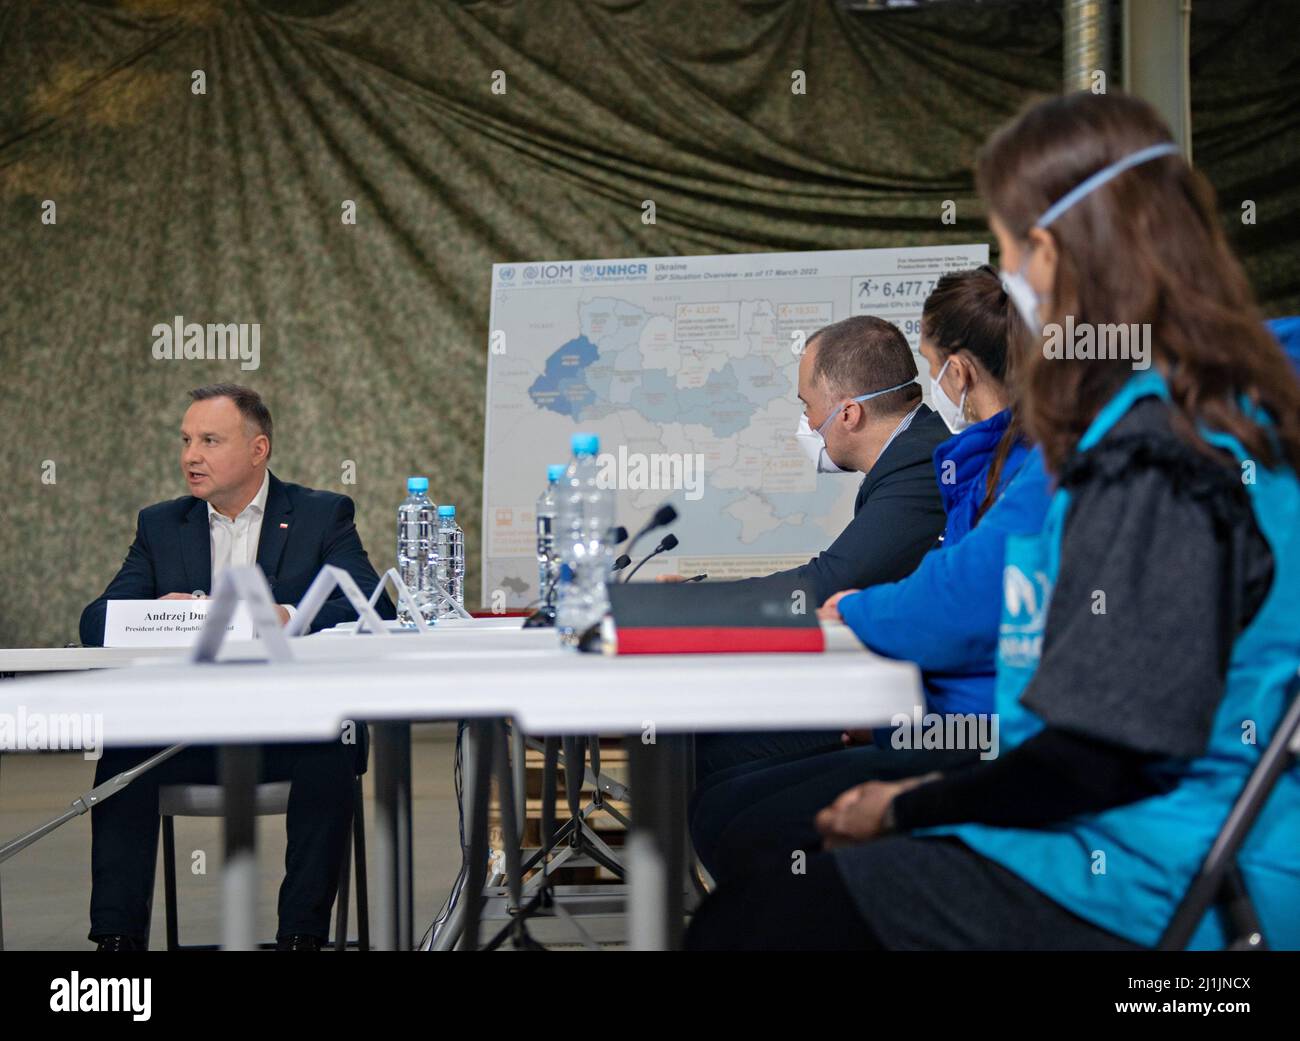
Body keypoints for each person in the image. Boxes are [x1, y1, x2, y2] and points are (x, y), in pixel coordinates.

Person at [688, 90, 1300, 951]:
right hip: (1156, 849)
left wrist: (905, 805)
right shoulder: (1230, 413)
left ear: (1046, 253)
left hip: (1158, 890)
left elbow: (1105, 754)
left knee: (752, 924)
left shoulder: (1156, 452)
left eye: (1008, 249)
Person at [690, 266, 1047, 877]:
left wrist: (856, 619)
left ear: (958, 373)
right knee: (726, 782)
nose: (807, 427)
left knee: (735, 801)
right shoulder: (978, 462)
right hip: (938, 715)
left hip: (966, 736)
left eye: (934, 368)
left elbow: (878, 593)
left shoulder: (969, 468)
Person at [81, 383, 395, 951]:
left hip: (288, 728)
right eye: (184, 440)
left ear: (258, 450)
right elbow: (94, 622)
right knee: (122, 750)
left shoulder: (322, 515)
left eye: (208, 440)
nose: (189, 456)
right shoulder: (160, 525)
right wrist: (153, 615)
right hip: (190, 735)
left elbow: (375, 606)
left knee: (335, 744)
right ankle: (116, 944)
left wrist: (288, 614)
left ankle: (300, 936)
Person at [688, 314, 950, 777]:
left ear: (848, 413)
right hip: (897, 689)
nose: (807, 423)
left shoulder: (921, 468)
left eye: (807, 406)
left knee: (713, 748)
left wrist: (695, 603)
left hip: (920, 713)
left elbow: (830, 582)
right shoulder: (912, 455)